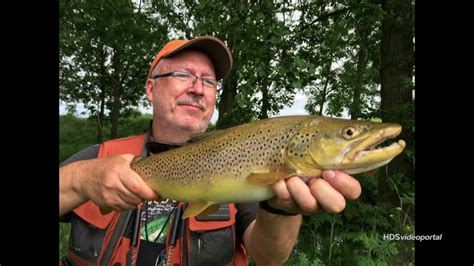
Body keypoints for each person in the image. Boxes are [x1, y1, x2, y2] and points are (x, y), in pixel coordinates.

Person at [59, 36, 362, 265]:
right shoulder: (101, 157)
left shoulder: (245, 155)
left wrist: (282, 210)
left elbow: (268, 257)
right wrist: (80, 178)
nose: (198, 87)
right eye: (183, 75)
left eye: (208, 80)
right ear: (151, 88)